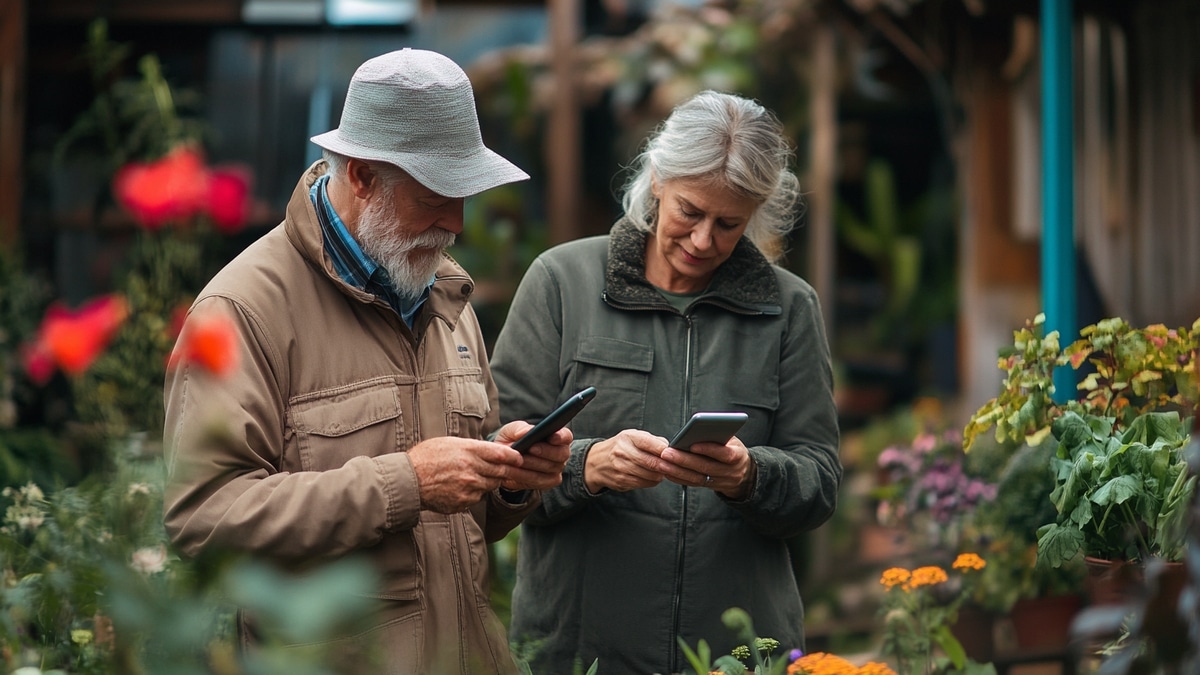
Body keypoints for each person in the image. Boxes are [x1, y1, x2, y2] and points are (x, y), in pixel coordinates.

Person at [162, 48, 571, 675]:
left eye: (467, 194)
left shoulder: (447, 295)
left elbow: (461, 525)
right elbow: (201, 517)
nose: (456, 222)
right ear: (360, 174)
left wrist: (508, 477)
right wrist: (403, 482)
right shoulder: (242, 310)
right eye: (436, 194)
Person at [489, 90, 842, 674]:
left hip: (738, 655)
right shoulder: (560, 282)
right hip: (581, 649)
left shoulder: (789, 308)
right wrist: (585, 466)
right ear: (656, 180)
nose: (704, 240)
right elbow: (495, 459)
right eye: (690, 212)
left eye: (729, 224)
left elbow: (820, 483)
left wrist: (750, 476)